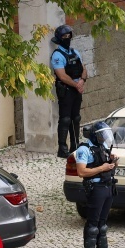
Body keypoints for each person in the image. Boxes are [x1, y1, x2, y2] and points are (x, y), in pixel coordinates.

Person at [75, 121, 119, 248]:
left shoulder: (103, 146)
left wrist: (113, 161)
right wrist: (102, 168)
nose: (104, 138)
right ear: (95, 136)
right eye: (101, 135)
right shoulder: (84, 149)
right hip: (96, 188)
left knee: (103, 223)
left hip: (107, 186)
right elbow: (81, 172)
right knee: (93, 223)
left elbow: (107, 161)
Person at [50, 24, 88, 158]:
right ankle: (62, 148)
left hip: (77, 88)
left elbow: (84, 68)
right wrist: (76, 85)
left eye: (69, 36)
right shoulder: (57, 55)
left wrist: (82, 80)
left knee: (75, 118)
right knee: (65, 119)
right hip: (66, 90)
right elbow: (62, 75)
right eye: (65, 36)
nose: (67, 38)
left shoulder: (75, 52)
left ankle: (75, 144)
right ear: (59, 39)